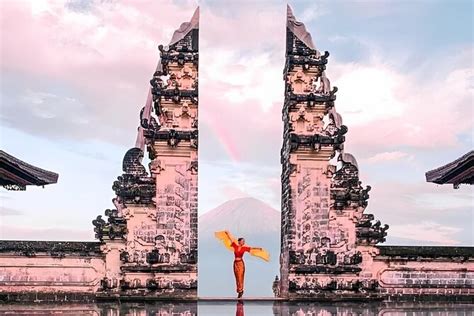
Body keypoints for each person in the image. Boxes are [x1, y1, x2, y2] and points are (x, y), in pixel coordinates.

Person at [215, 230, 269, 298]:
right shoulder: (235, 246)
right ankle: (239, 290)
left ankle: (241, 290)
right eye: (243, 241)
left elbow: (251, 248)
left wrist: (259, 248)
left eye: (244, 241)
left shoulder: (244, 248)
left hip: (241, 263)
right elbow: (231, 239)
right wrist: (228, 233)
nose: (244, 242)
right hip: (235, 264)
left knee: (240, 277)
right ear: (239, 241)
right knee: (237, 277)